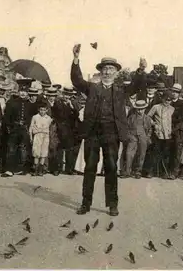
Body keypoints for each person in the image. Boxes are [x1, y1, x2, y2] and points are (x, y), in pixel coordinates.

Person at [70, 44, 146, 216]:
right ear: (101, 71)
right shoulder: (92, 88)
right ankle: (85, 203)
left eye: (111, 69)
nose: (108, 72)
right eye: (105, 68)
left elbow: (137, 85)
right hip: (92, 133)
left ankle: (112, 204)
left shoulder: (121, 90)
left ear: (116, 72)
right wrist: (75, 59)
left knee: (111, 168)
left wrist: (141, 70)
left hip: (112, 134)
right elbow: (76, 80)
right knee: (90, 168)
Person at [2, 78, 34, 176]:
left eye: (25, 91)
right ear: (18, 91)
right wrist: (10, 127)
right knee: (11, 148)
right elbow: (7, 117)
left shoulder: (31, 105)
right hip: (14, 128)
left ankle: (22, 169)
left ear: (28, 92)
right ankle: (9, 170)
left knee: (23, 149)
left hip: (25, 129)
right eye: (21, 91)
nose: (23, 93)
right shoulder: (12, 103)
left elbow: (32, 118)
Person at [146, 91, 175, 179]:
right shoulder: (156, 107)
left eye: (169, 100)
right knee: (155, 153)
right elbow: (148, 117)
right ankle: (151, 172)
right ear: (162, 99)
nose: (167, 101)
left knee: (166, 154)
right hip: (158, 134)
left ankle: (164, 172)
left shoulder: (172, 109)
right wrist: (154, 124)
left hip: (168, 135)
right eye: (166, 99)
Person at [122, 100, 152, 179]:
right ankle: (127, 171)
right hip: (133, 137)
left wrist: (147, 137)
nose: (140, 111)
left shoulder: (147, 118)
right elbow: (127, 127)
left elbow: (150, 130)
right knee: (129, 154)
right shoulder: (131, 117)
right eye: (138, 109)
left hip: (143, 137)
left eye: (142, 109)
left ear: (145, 109)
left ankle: (138, 171)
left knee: (141, 154)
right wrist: (129, 136)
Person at [29, 104, 53, 176]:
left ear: (47, 110)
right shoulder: (35, 117)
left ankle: (41, 170)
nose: (42, 112)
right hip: (37, 135)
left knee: (43, 152)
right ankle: (35, 169)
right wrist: (31, 137)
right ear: (39, 110)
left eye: (44, 110)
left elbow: (49, 128)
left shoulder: (48, 118)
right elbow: (31, 127)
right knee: (36, 152)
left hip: (45, 136)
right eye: (41, 110)